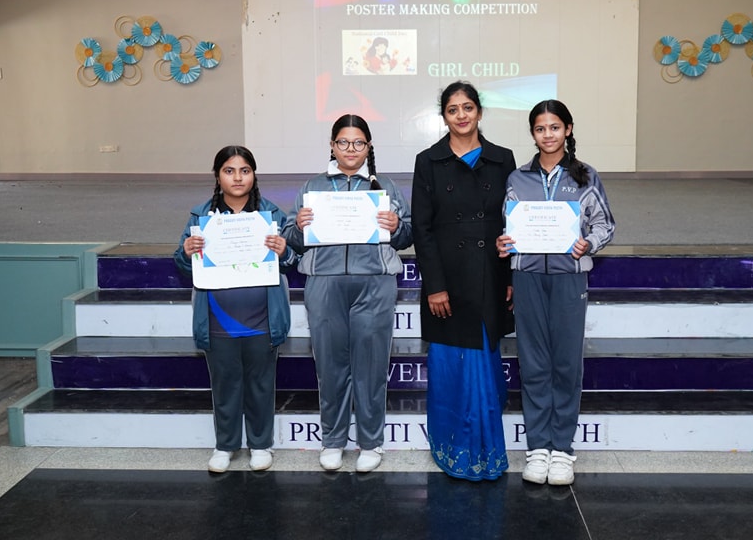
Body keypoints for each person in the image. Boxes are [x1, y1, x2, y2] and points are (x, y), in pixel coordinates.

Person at [283, 114, 413, 473]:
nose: (350, 150)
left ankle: (371, 442)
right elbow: (291, 240)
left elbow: (407, 237)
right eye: (343, 142)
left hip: (374, 282)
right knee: (330, 365)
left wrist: (397, 225)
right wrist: (298, 226)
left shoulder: (384, 186)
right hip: (324, 282)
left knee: (371, 367)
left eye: (358, 143)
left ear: (368, 147)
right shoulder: (314, 186)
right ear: (332, 145)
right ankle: (333, 440)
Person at [497, 100, 615, 486]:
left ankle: (562, 450)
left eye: (554, 128)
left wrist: (589, 244)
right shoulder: (518, 178)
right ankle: (538, 449)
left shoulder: (585, 177)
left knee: (565, 363)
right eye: (540, 129)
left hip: (568, 279)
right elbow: (509, 228)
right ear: (532, 134)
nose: (547, 135)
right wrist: (505, 243)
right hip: (529, 278)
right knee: (533, 363)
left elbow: (605, 225)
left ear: (567, 130)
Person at [411, 81, 516, 481]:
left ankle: (487, 455)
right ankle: (453, 450)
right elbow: (422, 228)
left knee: (484, 369)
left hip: (490, 277)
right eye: (453, 109)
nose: (461, 115)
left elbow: (510, 223)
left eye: (467, 107)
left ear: (479, 112)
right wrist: (435, 285)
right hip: (448, 285)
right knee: (450, 370)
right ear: (444, 116)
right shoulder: (429, 161)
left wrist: (508, 279)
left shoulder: (501, 159)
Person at [173, 145, 299, 473]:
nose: (238, 177)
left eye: (244, 170)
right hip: (218, 319)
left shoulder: (272, 215)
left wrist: (284, 251)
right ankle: (225, 445)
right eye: (229, 171)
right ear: (218, 176)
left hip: (262, 318)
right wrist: (186, 253)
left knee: (261, 383)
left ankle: (260, 444)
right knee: (225, 384)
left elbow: (292, 262)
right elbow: (183, 266)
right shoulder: (201, 217)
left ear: (254, 174)